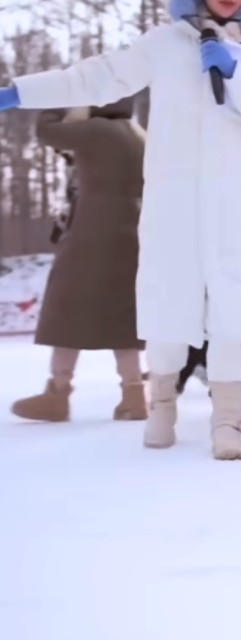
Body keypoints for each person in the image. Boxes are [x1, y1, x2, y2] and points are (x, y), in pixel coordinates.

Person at [0, 0, 241, 458]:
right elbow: (97, 79)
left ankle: (227, 420)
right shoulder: (165, 45)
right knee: (166, 299)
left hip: (237, 207)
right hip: (174, 202)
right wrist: (23, 91)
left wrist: (235, 74)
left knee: (233, 308)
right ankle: (160, 407)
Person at [10, 99, 146, 422]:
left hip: (92, 230)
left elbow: (47, 132)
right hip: (132, 230)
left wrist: (59, 101)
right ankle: (134, 393)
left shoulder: (97, 131)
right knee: (123, 318)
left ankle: (57, 393)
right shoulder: (137, 135)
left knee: (66, 308)